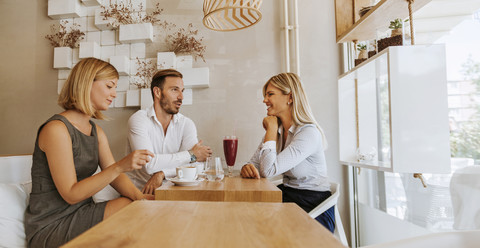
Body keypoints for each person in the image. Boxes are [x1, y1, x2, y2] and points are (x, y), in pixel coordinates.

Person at [24, 58, 154, 248]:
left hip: (81, 213)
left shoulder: (95, 131)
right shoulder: (56, 129)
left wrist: (140, 197)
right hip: (51, 225)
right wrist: (120, 166)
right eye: (109, 86)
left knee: (133, 205)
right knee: (129, 209)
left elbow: (115, 176)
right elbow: (71, 194)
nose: (114, 94)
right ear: (86, 83)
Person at [240, 72, 335, 232]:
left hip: (313, 206)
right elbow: (254, 164)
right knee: (245, 219)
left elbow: (268, 170)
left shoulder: (308, 133)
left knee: (255, 227)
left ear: (289, 97)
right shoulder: (277, 131)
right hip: (287, 198)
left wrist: (270, 128)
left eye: (270, 94)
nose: (264, 100)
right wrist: (246, 168)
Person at [126, 69, 212, 194]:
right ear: (157, 92)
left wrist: (162, 173)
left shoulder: (186, 124)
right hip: (139, 194)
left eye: (182, 91)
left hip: (174, 194)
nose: (181, 97)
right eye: (174, 90)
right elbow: (149, 165)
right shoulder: (139, 120)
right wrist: (191, 155)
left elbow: (197, 166)